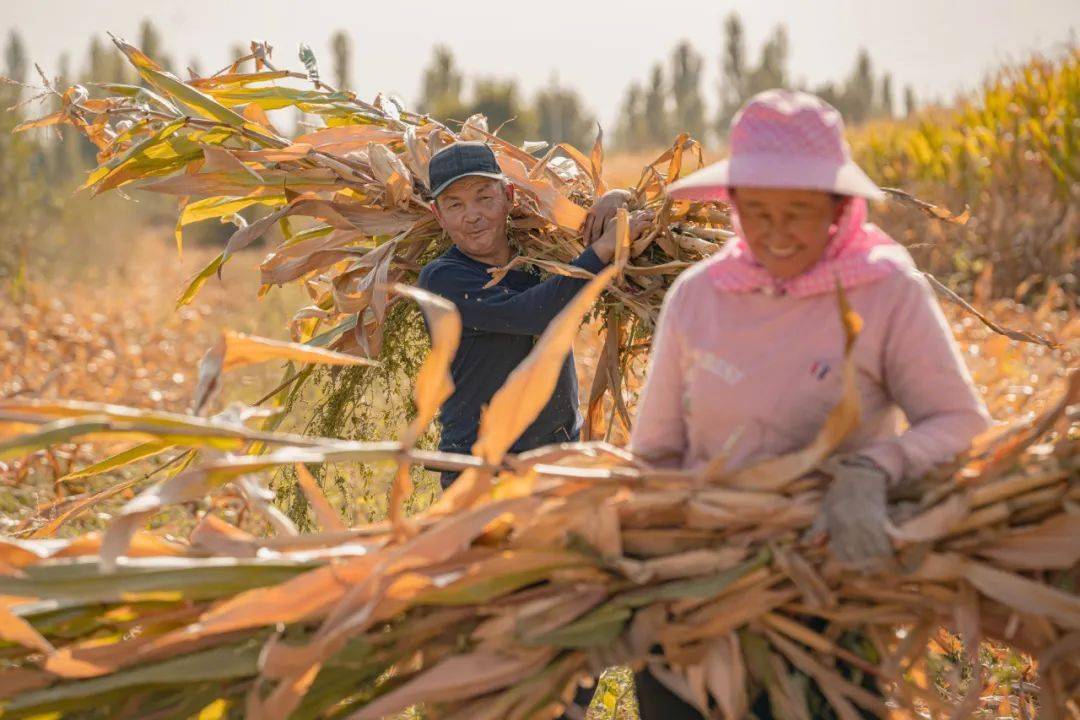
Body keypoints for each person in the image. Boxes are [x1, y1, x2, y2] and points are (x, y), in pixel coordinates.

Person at [627, 89, 992, 718]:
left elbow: (961, 423)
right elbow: (655, 451)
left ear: (838, 208)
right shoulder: (699, 295)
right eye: (758, 211)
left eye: (798, 210)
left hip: (826, 598)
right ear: (733, 206)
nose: (777, 232)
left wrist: (875, 467)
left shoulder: (883, 289)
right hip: (696, 603)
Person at [418, 141, 644, 489]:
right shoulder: (442, 278)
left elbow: (615, 221)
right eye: (455, 205)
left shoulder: (542, 256)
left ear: (508, 196)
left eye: (484, 197)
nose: (472, 215)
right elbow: (532, 313)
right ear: (438, 215)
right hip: (481, 472)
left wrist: (618, 197)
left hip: (559, 460)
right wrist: (603, 249)